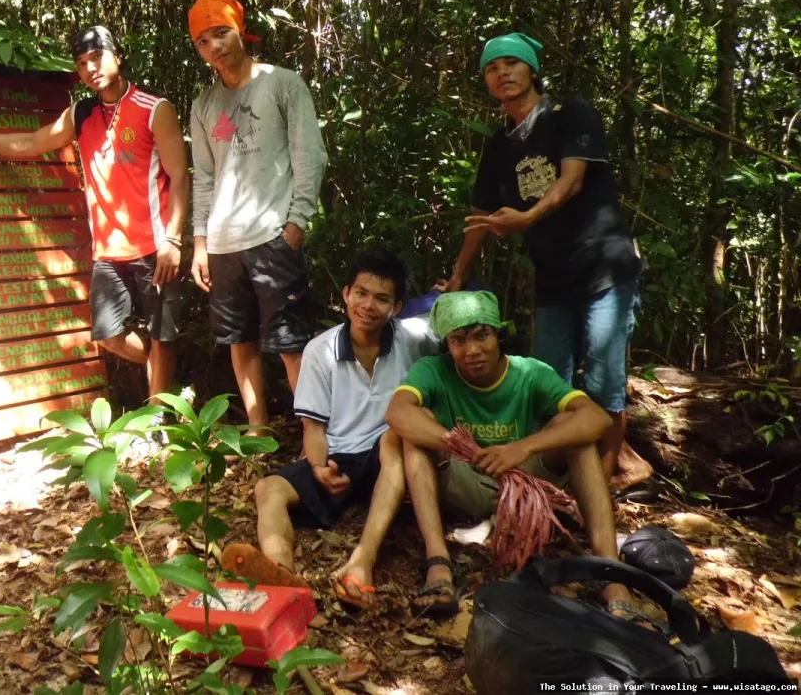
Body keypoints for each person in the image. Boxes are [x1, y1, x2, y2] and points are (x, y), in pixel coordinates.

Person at [437, 32, 651, 490]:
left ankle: (608, 478)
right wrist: (456, 276)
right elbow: (480, 219)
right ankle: (589, 468)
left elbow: (572, 180)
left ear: (532, 69)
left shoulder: (570, 113)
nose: (503, 72)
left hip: (604, 267)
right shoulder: (499, 146)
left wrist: (528, 217)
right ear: (487, 81)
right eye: (493, 67)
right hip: (553, 276)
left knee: (603, 380)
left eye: (513, 63)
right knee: (550, 380)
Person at [0, 26, 188, 400]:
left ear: (118, 56)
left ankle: (159, 420)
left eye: (97, 57)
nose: (91, 68)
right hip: (108, 251)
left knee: (162, 333)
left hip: (155, 245)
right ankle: (166, 378)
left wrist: (173, 239)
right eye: (82, 63)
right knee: (109, 336)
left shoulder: (155, 109)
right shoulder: (82, 113)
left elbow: (180, 177)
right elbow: (30, 143)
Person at [387, 290, 643, 621]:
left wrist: (523, 447)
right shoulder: (434, 370)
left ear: (499, 335)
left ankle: (611, 575)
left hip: (524, 481)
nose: (473, 350)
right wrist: (458, 444)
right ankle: (438, 564)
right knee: (413, 435)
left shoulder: (529, 372)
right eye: (459, 340)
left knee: (576, 432)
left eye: (482, 336)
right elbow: (397, 413)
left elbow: (596, 418)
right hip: (466, 477)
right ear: (447, 346)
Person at [225, 248, 437, 609]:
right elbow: (313, 428)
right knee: (268, 488)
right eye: (361, 293)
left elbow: (455, 330)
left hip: (388, 455)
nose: (368, 305)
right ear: (346, 294)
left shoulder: (412, 338)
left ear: (397, 307)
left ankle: (362, 562)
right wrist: (320, 467)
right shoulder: (319, 351)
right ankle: (280, 575)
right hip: (340, 456)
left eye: (381, 298)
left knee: (394, 434)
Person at [187, 0, 327, 432]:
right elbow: (204, 177)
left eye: (222, 33)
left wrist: (297, 222)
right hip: (224, 242)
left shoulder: (282, 83)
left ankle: (313, 436)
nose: (215, 47)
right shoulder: (203, 105)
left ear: (240, 30)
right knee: (239, 339)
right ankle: (257, 429)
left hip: (272, 236)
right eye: (204, 41)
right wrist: (200, 242)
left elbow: (310, 155)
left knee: (291, 344)